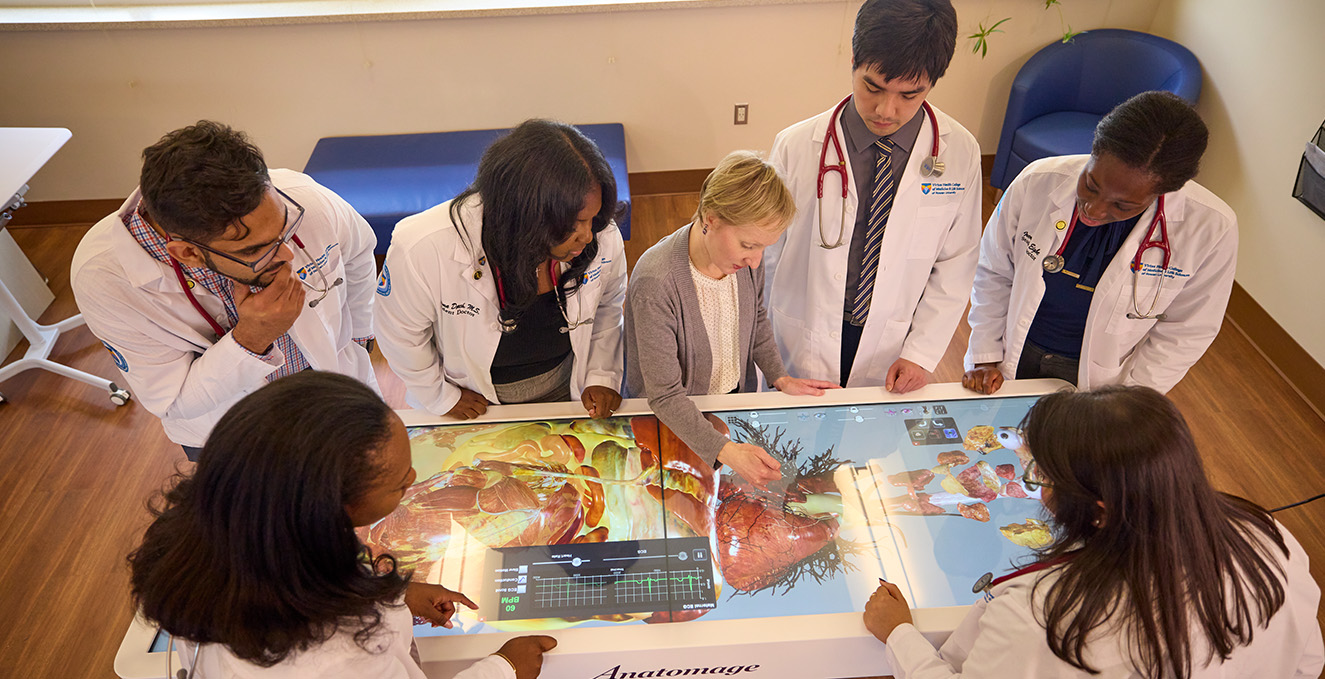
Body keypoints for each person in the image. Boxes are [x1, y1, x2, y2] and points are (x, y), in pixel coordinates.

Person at [862, 386, 1323, 679]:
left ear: (1099, 510)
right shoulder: (1270, 537)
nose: (1037, 492)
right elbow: (1307, 663)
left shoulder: (1046, 615)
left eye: (1043, 479)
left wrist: (900, 635)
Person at [128, 371, 557, 678]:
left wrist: (394, 595)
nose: (413, 481)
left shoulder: (223, 524)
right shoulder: (332, 657)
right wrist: (504, 668)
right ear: (329, 507)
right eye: (397, 484)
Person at [71, 121, 379, 460]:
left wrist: (360, 337)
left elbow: (359, 254)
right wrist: (251, 338)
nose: (287, 253)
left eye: (285, 230)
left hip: (335, 383)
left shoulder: (306, 199)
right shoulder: (104, 278)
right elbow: (173, 400)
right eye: (254, 250)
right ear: (188, 253)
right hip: (233, 430)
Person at [764, 0, 982, 393]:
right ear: (853, 60)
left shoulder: (960, 152)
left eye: (910, 94)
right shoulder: (795, 146)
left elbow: (956, 262)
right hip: (803, 331)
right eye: (873, 87)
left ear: (933, 81)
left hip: (891, 344)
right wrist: (760, 346)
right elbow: (766, 256)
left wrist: (922, 351)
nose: (886, 110)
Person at [963, 91, 1237, 395]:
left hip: (1102, 377)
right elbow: (993, 271)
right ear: (1093, 150)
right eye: (1090, 185)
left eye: (1122, 206)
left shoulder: (1211, 228)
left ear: (1165, 191)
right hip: (1011, 353)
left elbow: (1186, 331)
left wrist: (1131, 396)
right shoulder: (1036, 181)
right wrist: (985, 355)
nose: (1093, 210)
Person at [375, 120, 625, 420]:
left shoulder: (600, 234)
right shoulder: (422, 247)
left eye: (592, 219)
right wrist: (442, 397)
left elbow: (608, 308)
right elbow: (400, 337)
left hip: (568, 392)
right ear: (525, 215)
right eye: (572, 226)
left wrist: (601, 375)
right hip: (472, 403)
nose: (586, 236)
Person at [624, 152, 839, 487]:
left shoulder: (744, 264)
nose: (755, 262)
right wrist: (725, 450)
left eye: (763, 249)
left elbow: (756, 319)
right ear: (711, 218)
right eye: (748, 245)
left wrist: (779, 377)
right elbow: (665, 396)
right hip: (671, 420)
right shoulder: (656, 282)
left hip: (729, 405)